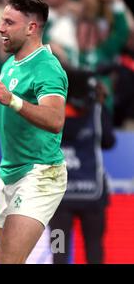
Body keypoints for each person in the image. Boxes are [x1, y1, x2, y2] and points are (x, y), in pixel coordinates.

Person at [0, 0, 69, 264]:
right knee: (1, 260)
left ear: (32, 28)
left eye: (9, 22)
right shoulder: (11, 63)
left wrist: (12, 99)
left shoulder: (48, 67)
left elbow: (55, 119)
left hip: (40, 174)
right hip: (9, 173)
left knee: (9, 261)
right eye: (1, 21)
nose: (0, 28)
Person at [49, 71, 114, 264]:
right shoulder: (96, 112)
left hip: (59, 199)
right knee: (94, 246)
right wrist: (102, 103)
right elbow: (109, 141)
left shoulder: (49, 113)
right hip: (92, 196)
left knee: (58, 251)